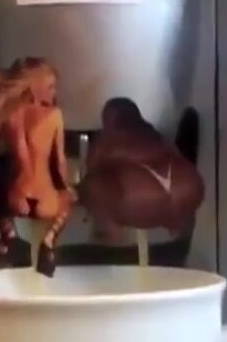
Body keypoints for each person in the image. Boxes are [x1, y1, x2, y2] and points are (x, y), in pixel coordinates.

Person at [0, 57, 74, 276]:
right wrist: (64, 187)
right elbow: (60, 161)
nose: (54, 93)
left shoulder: (8, 113)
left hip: (16, 199)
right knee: (69, 199)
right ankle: (49, 241)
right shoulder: (55, 115)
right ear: (35, 88)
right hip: (46, 203)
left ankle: (8, 235)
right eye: (51, 87)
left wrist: (4, 178)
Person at [79, 98, 204, 242]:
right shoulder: (153, 134)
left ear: (109, 119)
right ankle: (176, 224)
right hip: (190, 187)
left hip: (143, 199)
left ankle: (111, 231)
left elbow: (91, 172)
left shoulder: (106, 139)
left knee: (91, 186)